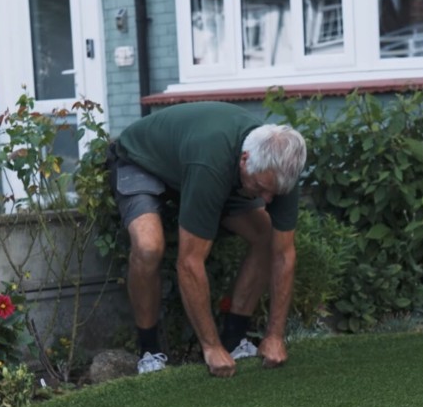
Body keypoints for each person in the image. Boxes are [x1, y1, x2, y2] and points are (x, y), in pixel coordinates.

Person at [108, 101, 307, 378]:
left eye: (274, 193)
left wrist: (275, 335)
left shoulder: (281, 171)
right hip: (142, 160)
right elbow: (189, 262)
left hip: (193, 163)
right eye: (261, 188)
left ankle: (234, 340)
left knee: (265, 237)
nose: (267, 200)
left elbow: (284, 254)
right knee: (148, 246)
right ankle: (149, 351)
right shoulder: (211, 161)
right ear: (245, 159)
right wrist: (210, 347)